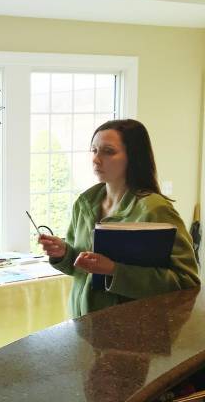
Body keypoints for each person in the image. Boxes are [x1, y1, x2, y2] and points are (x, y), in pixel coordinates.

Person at [38, 119, 199, 317]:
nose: (96, 160)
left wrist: (115, 270)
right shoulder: (85, 203)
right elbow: (80, 268)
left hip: (132, 334)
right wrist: (62, 253)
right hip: (82, 327)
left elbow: (186, 281)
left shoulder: (154, 210)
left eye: (108, 151)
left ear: (133, 157)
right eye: (94, 150)